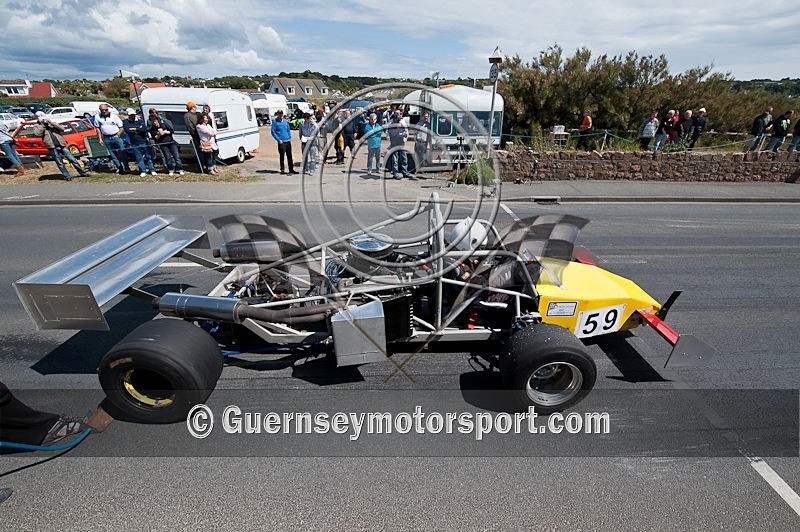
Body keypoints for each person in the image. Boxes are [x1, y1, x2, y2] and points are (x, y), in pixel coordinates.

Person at [33, 112, 89, 181]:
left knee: (72, 159)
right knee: (59, 162)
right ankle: (67, 176)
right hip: (51, 146)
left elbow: (62, 129)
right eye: (39, 116)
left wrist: (50, 122)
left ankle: (82, 172)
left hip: (61, 145)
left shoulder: (52, 123)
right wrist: (42, 125)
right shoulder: (37, 125)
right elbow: (37, 134)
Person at [148, 108, 184, 176]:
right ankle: (171, 169)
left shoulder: (163, 123)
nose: (154, 122)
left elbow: (171, 131)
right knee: (167, 157)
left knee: (176, 156)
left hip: (171, 142)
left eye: (155, 120)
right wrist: (159, 134)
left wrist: (164, 132)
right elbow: (155, 138)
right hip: (163, 143)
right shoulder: (152, 128)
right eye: (153, 121)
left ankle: (180, 169)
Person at [122, 108, 157, 177]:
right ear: (128, 115)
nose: (132, 116)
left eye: (133, 115)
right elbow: (127, 130)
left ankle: (152, 169)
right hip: (134, 142)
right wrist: (138, 129)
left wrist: (135, 129)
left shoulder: (140, 121)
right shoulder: (125, 122)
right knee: (139, 157)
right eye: (131, 115)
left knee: (148, 156)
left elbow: (144, 129)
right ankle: (143, 170)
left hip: (143, 141)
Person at [94, 103, 128, 173]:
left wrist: (118, 134)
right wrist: (100, 139)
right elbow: (97, 128)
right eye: (102, 110)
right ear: (100, 110)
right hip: (106, 138)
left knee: (122, 152)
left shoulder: (114, 116)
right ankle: (120, 168)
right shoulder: (97, 117)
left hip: (116, 136)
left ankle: (127, 168)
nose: (104, 111)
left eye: (105, 110)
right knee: (112, 155)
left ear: (108, 109)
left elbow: (121, 127)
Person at [271, 110, 296, 174]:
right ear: (277, 114)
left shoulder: (285, 121)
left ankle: (291, 169)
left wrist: (289, 137)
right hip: (281, 141)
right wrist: (278, 139)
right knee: (282, 156)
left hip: (287, 140)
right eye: (279, 114)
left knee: (289, 156)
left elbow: (288, 129)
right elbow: (273, 132)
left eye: (281, 114)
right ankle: (282, 169)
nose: (281, 115)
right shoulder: (275, 122)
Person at [386, 114, 410, 179]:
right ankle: (395, 174)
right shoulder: (390, 126)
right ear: (394, 119)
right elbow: (391, 135)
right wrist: (400, 135)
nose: (399, 121)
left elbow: (406, 133)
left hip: (402, 144)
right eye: (398, 119)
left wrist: (405, 138)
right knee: (395, 160)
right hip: (394, 145)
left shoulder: (402, 124)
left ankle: (405, 173)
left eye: (399, 119)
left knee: (404, 159)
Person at [183, 101, 201, 170]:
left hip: (202, 136)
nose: (196, 107)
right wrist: (195, 134)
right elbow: (190, 127)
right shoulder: (187, 116)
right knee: (199, 153)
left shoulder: (197, 114)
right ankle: (199, 168)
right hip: (196, 136)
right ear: (192, 107)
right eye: (195, 106)